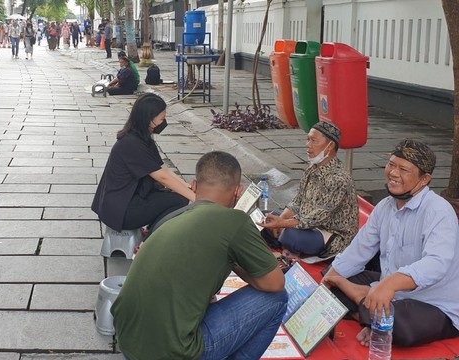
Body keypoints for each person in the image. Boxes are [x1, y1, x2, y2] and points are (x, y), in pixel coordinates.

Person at [112, 151, 288, 360]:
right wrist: (235, 262)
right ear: (238, 191)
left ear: (194, 186)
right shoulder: (235, 220)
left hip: (129, 342)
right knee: (278, 300)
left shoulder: (173, 217)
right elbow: (275, 283)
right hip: (172, 352)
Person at [322, 139, 459, 347]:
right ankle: (372, 315)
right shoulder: (385, 206)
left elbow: (436, 263)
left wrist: (391, 283)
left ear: (424, 180)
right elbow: (360, 248)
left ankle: (369, 313)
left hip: (434, 303)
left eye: (403, 169)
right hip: (389, 289)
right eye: (392, 165)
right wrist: (333, 277)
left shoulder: (439, 211)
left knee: (401, 326)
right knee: (330, 279)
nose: (393, 173)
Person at [92, 93, 194, 233]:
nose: (163, 122)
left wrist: (188, 187)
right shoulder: (132, 144)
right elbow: (163, 178)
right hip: (121, 210)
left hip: (127, 200)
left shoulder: (143, 139)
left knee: (179, 193)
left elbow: (165, 171)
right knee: (179, 200)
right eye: (161, 119)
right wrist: (198, 199)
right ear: (148, 119)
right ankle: (152, 234)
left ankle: (151, 230)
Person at [260, 121, 358, 257]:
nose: (308, 145)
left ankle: (284, 244)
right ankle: (284, 244)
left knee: (290, 236)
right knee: (263, 217)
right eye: (308, 139)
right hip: (304, 223)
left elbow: (317, 219)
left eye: (313, 141)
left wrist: (283, 224)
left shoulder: (339, 178)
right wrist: (280, 221)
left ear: (330, 146)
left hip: (330, 234)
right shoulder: (312, 168)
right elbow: (297, 201)